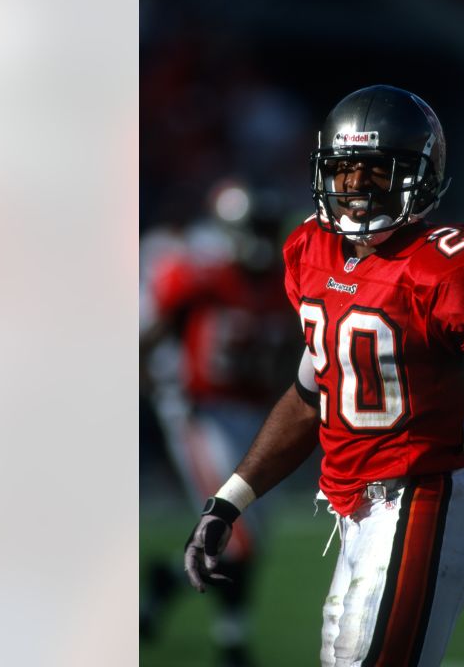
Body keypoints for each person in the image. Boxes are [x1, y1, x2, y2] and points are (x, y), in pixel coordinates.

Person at [182, 85, 464, 665]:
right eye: (345, 171)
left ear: (421, 175)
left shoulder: (455, 267)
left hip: (423, 500)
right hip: (354, 514)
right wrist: (227, 502)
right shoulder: (312, 250)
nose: (356, 190)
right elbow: (311, 395)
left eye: (376, 172)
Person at [140, 181, 296, 667]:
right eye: (259, 228)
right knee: (238, 534)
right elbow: (154, 335)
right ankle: (233, 642)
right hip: (202, 412)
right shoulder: (201, 275)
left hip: (256, 416)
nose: (266, 239)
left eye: (270, 228)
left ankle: (164, 583)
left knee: (248, 538)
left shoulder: (283, 282)